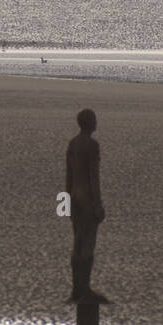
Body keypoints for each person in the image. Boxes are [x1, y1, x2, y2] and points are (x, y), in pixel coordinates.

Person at [66, 108, 108, 303]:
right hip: (87, 200)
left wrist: (67, 201)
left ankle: (77, 288)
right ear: (89, 123)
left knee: (77, 244)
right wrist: (97, 204)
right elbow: (93, 177)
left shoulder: (73, 144)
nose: (97, 122)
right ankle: (84, 288)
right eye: (94, 119)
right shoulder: (92, 145)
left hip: (74, 198)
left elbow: (69, 176)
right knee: (88, 246)